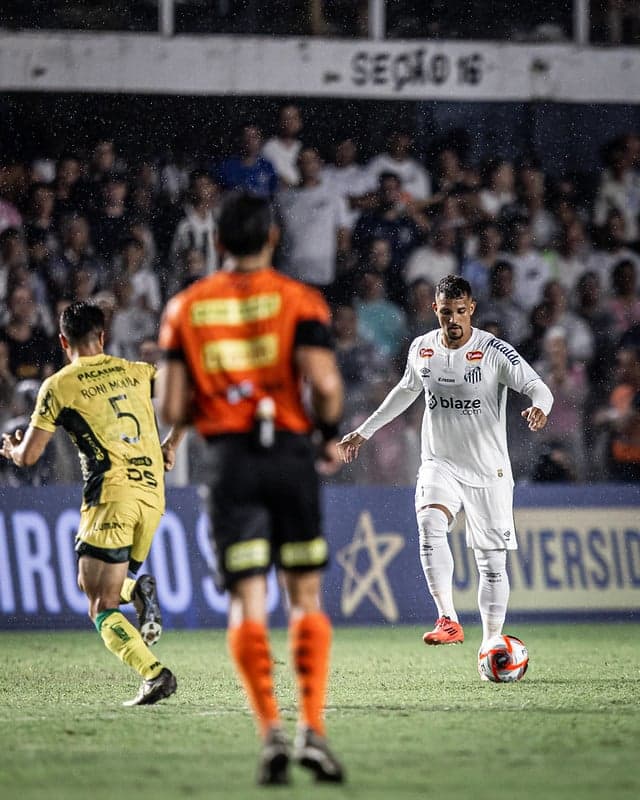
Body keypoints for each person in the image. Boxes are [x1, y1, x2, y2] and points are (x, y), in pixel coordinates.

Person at [156, 191, 345, 785]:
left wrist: (213, 403)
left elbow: (172, 406)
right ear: (273, 238)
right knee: (305, 595)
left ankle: (271, 735)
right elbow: (326, 385)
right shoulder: (300, 300)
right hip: (289, 455)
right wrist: (327, 436)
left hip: (229, 463)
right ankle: (313, 730)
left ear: (217, 242)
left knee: (246, 600)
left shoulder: (186, 308)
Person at [337, 275, 554, 677]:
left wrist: (540, 408)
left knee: (492, 565)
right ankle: (448, 619)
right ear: (435, 309)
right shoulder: (422, 348)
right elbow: (405, 390)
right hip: (440, 462)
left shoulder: (492, 351)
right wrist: (364, 431)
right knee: (429, 523)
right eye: (445, 312)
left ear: (471, 309)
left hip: (488, 471)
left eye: (460, 311)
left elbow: (538, 387)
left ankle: (492, 641)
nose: (453, 319)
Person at [0, 301, 180, 706]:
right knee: (93, 583)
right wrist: (171, 444)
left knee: (100, 606)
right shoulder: (136, 371)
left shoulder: (59, 385)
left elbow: (30, 456)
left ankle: (154, 674)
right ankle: (138, 590)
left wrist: (11, 450)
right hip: (153, 496)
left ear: (64, 342)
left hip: (111, 497)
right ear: (102, 336)